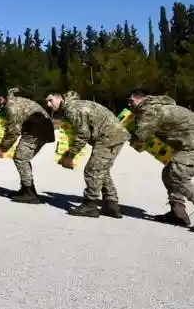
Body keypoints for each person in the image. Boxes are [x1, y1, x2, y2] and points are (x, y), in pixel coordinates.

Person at [128, 88, 194, 233]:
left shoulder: (151, 110)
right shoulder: (159, 107)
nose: (129, 104)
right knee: (168, 173)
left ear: (140, 99)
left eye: (131, 101)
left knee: (177, 176)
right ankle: (178, 212)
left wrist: (125, 134)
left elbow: (140, 136)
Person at [45, 90, 130, 219]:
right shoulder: (77, 104)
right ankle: (111, 204)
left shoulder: (72, 109)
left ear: (59, 98)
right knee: (102, 170)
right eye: (46, 102)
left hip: (108, 137)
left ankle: (90, 205)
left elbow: (83, 135)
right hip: (115, 135)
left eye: (50, 100)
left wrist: (70, 156)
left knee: (92, 170)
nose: (49, 104)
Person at [0, 87, 55, 203]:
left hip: (38, 128)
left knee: (21, 158)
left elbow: (13, 131)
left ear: (0, 98)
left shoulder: (11, 107)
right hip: (36, 127)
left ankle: (29, 192)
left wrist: (1, 148)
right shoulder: (10, 102)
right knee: (22, 157)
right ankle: (27, 189)